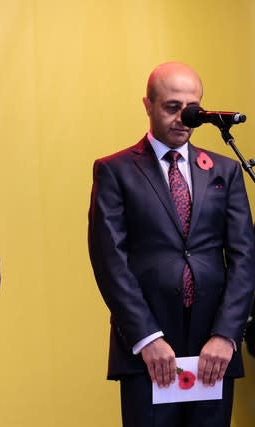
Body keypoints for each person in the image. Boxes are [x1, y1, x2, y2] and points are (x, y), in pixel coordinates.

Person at [88, 61, 255, 427]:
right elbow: (109, 260)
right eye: (171, 107)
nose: (183, 117)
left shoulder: (225, 172)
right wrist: (148, 338)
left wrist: (226, 334)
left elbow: (245, 258)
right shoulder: (114, 170)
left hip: (215, 348)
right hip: (149, 349)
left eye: (192, 108)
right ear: (148, 106)